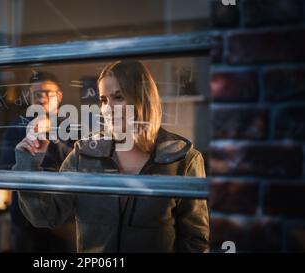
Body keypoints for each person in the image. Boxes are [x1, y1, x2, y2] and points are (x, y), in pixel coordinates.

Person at [13, 60, 210, 253]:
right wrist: (28, 165)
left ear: (142, 99)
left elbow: (195, 240)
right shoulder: (84, 153)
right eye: (103, 100)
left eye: (118, 97)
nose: (107, 109)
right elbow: (47, 216)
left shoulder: (183, 159)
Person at [0, 71, 75, 252]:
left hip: (63, 217)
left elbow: (79, 169)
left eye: (49, 93)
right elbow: (6, 173)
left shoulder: (73, 129)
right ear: (29, 97)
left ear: (59, 96)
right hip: (24, 218)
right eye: (36, 94)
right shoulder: (16, 129)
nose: (43, 99)